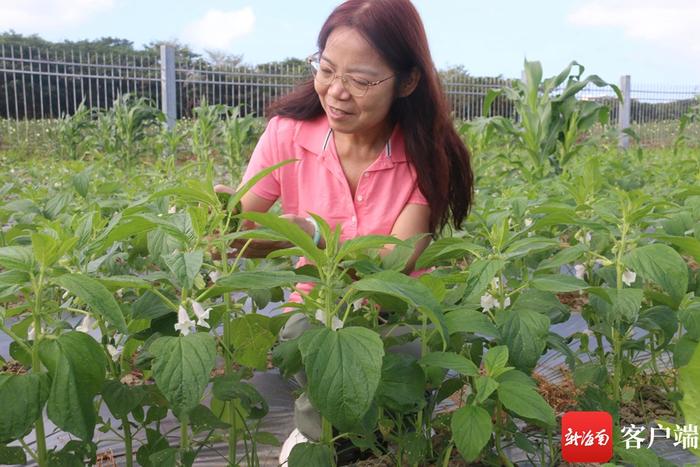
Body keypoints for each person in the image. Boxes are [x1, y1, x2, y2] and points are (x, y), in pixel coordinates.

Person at [214, 0, 474, 462]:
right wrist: (224, 227)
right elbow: (238, 241)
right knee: (302, 338)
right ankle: (325, 433)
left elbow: (397, 263)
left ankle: (382, 421)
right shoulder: (287, 135)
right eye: (327, 70)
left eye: (360, 80)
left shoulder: (430, 156)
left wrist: (310, 235)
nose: (336, 92)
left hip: (392, 314)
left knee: (408, 357)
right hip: (317, 304)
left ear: (408, 81)